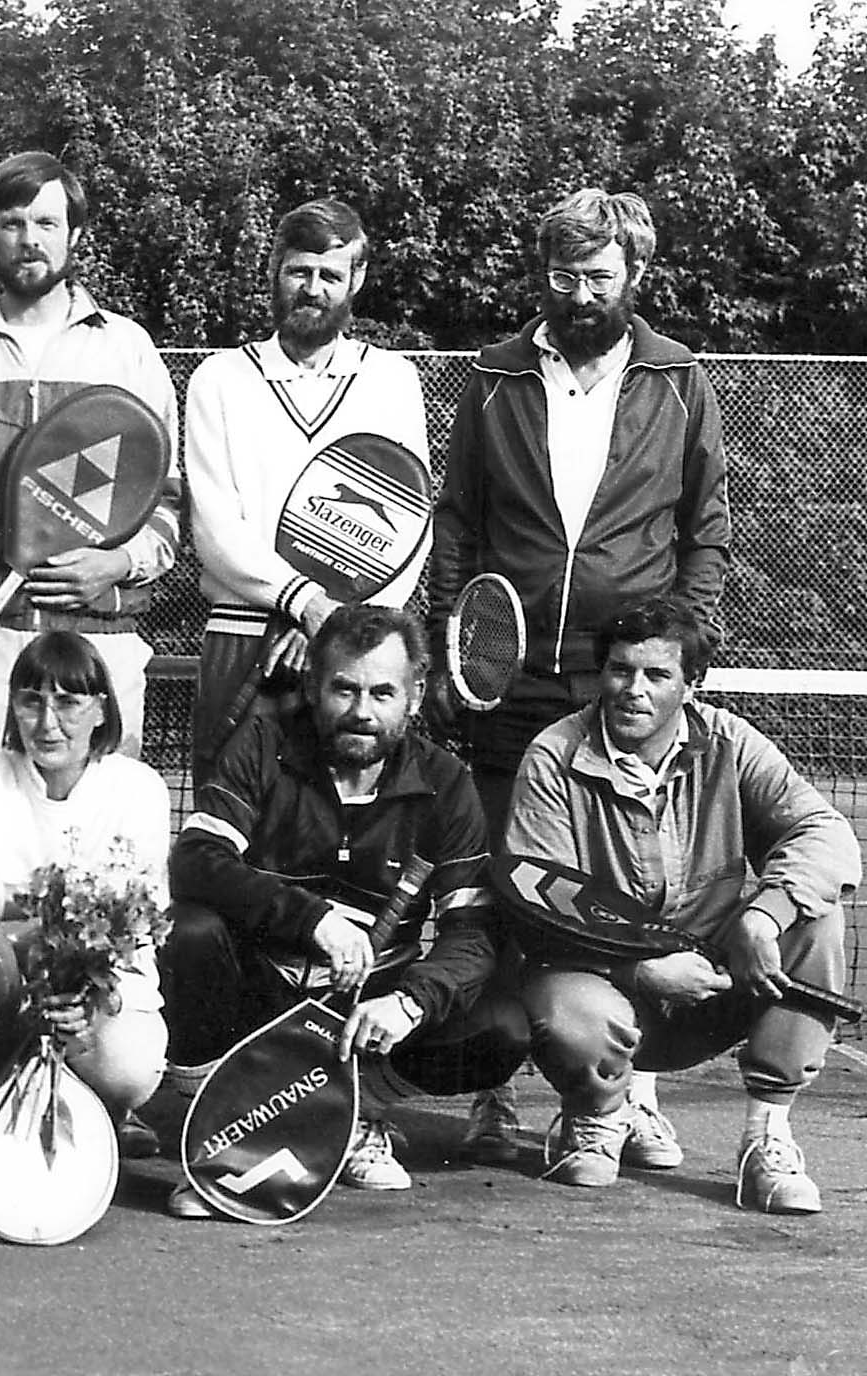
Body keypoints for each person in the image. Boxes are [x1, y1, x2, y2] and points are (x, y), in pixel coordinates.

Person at [429, 188, 731, 1163]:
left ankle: (619, 1094)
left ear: (632, 276)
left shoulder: (680, 379)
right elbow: (457, 520)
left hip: (623, 683)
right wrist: (451, 640)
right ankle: (489, 1091)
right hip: (507, 683)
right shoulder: (492, 376)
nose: (579, 293)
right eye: (562, 275)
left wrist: (688, 642)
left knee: (629, 894)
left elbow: (704, 529)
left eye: (598, 275)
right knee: (500, 887)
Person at [158, 605, 527, 1217]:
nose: (362, 710)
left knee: (503, 1026)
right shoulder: (263, 744)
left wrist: (412, 1002)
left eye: (383, 692)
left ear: (412, 697)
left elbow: (473, 933)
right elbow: (196, 858)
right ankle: (215, 1120)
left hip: (367, 1013)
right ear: (312, 687)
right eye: (345, 689)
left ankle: (355, 1110)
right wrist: (310, 919)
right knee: (190, 932)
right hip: (263, 997)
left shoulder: (447, 781)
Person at [505, 598, 857, 1214]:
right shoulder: (552, 755)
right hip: (603, 985)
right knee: (565, 1007)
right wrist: (636, 969)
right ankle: (597, 1116)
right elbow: (537, 902)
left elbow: (825, 835)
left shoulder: (731, 742)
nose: (633, 690)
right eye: (620, 670)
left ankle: (765, 1140)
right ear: (601, 675)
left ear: (691, 686)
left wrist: (763, 914)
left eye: (657, 675)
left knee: (815, 915)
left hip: (716, 982)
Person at [0, 150, 182, 788]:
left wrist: (117, 565)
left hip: (102, 642)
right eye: (13, 223)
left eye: (47, 224)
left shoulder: (129, 351)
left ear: (74, 235)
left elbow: (169, 505)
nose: (29, 240)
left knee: (91, 854)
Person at [0, 631, 172, 1214]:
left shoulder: (139, 788)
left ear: (102, 709)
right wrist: (41, 899)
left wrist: (83, 982)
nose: (47, 722)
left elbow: (137, 915)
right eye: (31, 700)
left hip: (95, 983)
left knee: (128, 1066)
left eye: (69, 702)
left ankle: (104, 1114)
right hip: (5, 982)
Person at [183, 198, 430, 788]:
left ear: (357, 280)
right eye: (299, 271)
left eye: (330, 275)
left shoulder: (392, 379)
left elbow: (411, 528)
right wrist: (308, 606)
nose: (312, 289)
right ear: (275, 270)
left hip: (357, 651)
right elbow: (216, 531)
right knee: (230, 831)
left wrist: (338, 621)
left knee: (349, 830)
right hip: (244, 635)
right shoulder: (219, 378)